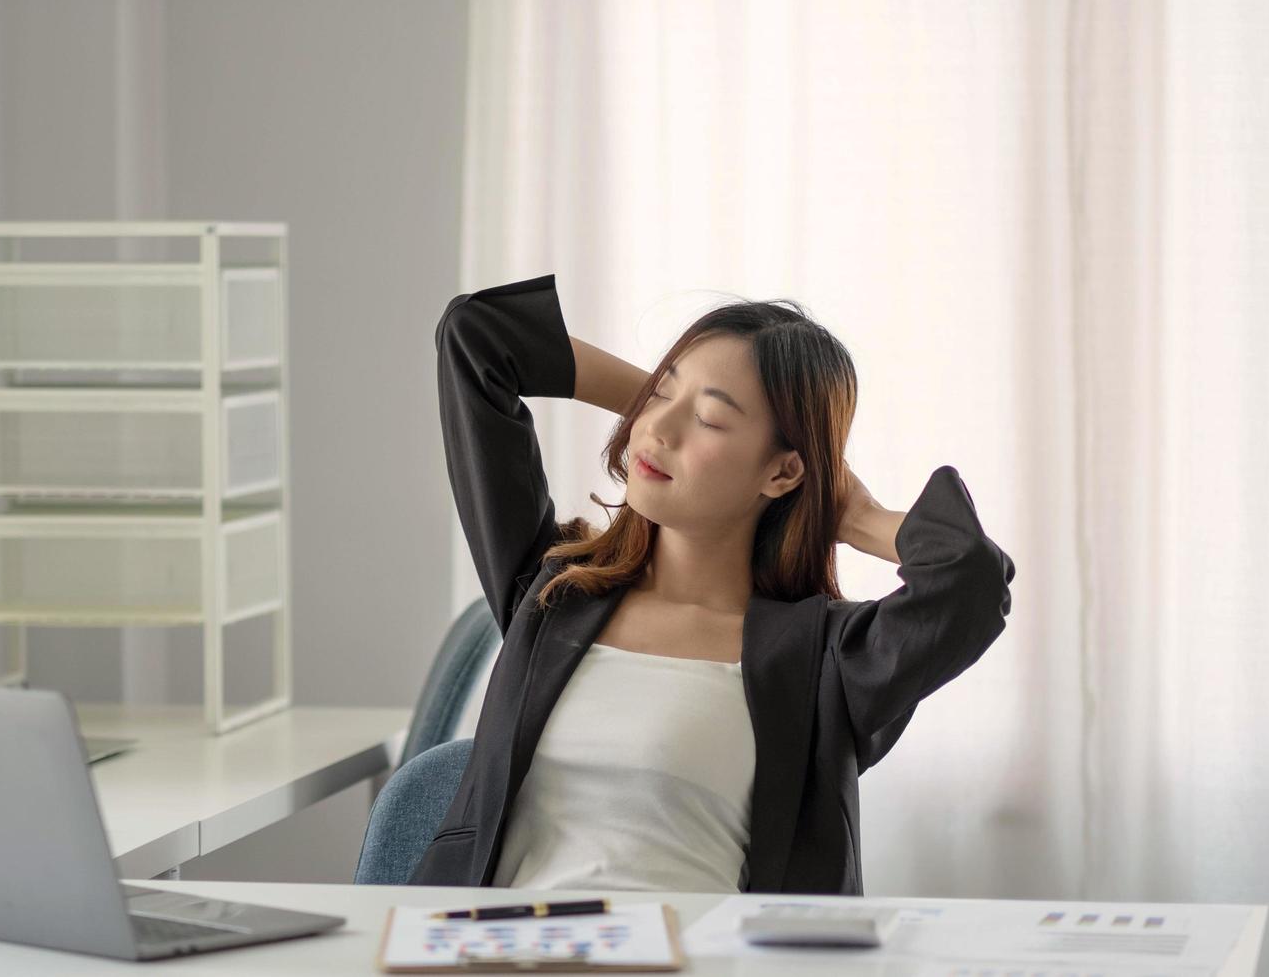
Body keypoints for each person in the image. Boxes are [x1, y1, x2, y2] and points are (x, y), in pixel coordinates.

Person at [411, 273, 1016, 895]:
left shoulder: (826, 662)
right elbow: (477, 338)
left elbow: (969, 580)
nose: (659, 430)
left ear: (783, 472)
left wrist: (858, 516)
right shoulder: (552, 595)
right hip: (494, 954)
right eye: (660, 392)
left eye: (709, 418)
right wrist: (657, 404)